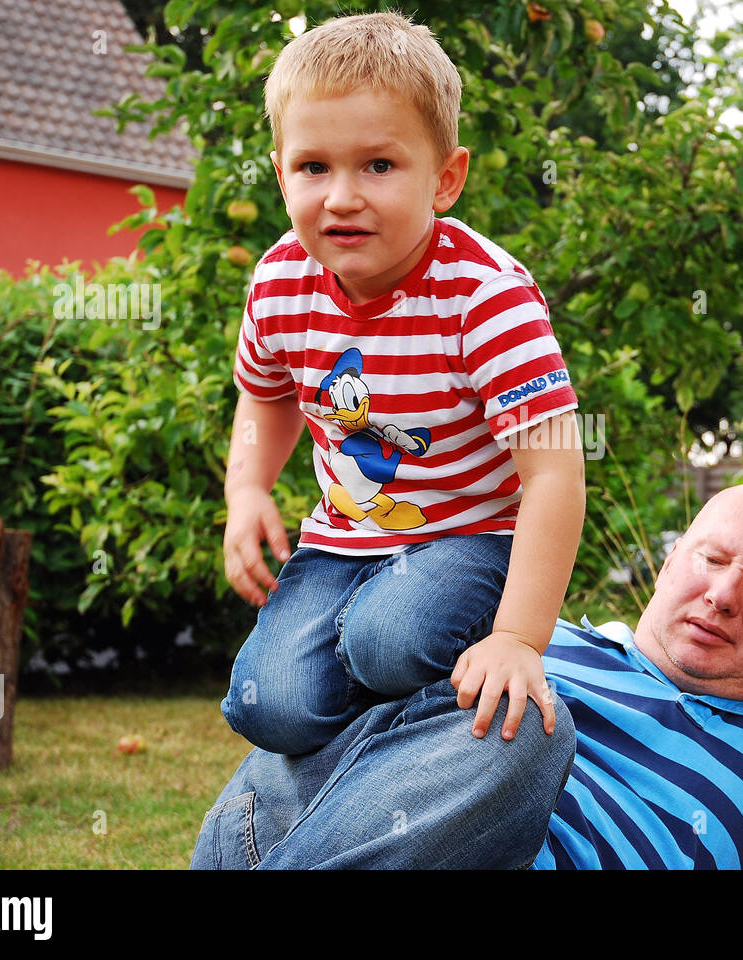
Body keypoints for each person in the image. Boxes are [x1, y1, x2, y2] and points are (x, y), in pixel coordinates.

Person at [220, 9, 586, 767]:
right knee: (271, 706)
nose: (342, 196)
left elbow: (554, 471)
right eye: (314, 167)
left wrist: (519, 636)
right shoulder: (281, 281)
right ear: (281, 170)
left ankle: (462, 682)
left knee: (391, 641)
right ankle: (365, 745)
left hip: (475, 535)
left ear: (445, 179)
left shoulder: (485, 297)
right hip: (345, 539)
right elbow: (266, 392)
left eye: (378, 166)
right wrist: (248, 490)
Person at [191, 483, 743, 869]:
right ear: (670, 561)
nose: (723, 595)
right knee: (525, 719)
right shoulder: (525, 638)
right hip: (274, 828)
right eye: (711, 559)